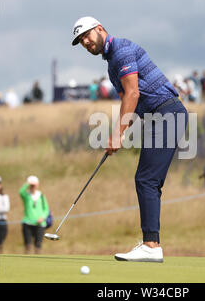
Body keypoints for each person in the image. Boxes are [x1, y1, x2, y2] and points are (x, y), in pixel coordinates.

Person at [72, 16, 188, 262]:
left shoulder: (121, 51)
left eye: (87, 35)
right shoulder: (112, 61)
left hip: (167, 113)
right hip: (161, 116)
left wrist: (118, 132)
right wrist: (122, 133)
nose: (85, 42)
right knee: (148, 180)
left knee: (146, 179)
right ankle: (151, 244)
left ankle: (151, 246)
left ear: (100, 29)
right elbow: (133, 100)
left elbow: (133, 93)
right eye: (81, 40)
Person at [19, 176, 50, 254]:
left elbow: (46, 209)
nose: (33, 186)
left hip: (40, 224)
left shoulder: (41, 196)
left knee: (38, 245)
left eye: (34, 185)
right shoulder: (26, 195)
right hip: (27, 223)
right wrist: (27, 184)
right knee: (28, 245)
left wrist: (43, 217)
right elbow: (21, 192)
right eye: (31, 185)